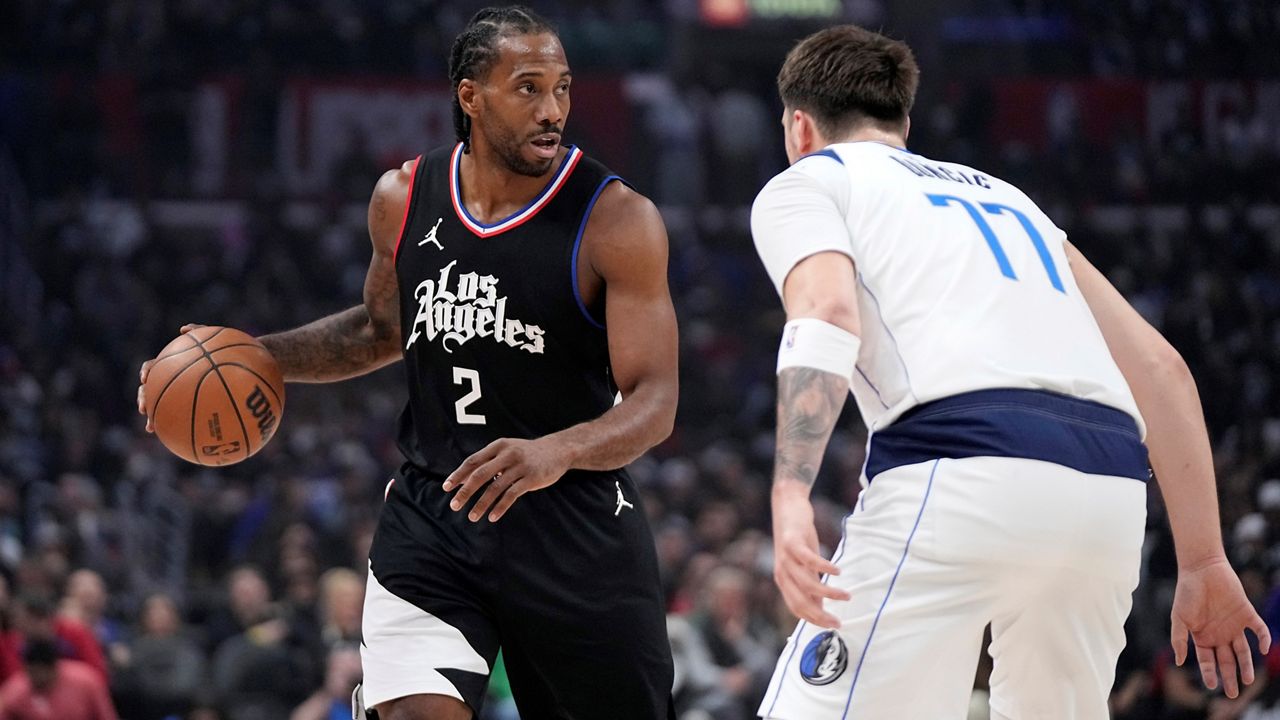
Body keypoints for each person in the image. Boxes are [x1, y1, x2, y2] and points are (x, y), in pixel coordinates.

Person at [136, 6, 679, 720]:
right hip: (436, 517)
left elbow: (655, 401)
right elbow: (382, 329)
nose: (552, 110)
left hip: (572, 526)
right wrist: (247, 357)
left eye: (563, 88)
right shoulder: (403, 197)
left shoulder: (616, 220)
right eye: (528, 88)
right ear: (470, 96)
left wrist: (555, 452)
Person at [748, 24, 1269, 719]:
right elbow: (1161, 366)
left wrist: (788, 495)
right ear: (903, 121)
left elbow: (827, 315)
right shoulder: (1012, 200)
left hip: (960, 461)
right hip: (1108, 492)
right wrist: (1204, 560)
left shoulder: (809, 180)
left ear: (799, 128)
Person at [0, 638, 117, 720]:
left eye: (40, 672)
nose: (36, 678)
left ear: (54, 668)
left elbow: (106, 717)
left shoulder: (86, 682)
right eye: (31, 673)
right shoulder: (14, 691)